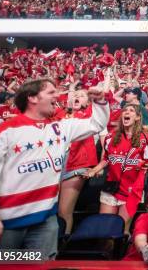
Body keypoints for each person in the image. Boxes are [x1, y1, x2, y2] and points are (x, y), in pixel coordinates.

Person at [0, 78, 109, 259]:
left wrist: (101, 101)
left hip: (46, 221)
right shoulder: (4, 132)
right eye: (51, 92)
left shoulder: (59, 128)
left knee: (42, 265)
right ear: (32, 97)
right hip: (3, 222)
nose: (58, 95)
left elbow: (96, 124)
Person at [85, 103, 148, 233]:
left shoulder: (144, 138)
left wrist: (144, 165)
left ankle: (122, 253)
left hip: (131, 190)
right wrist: (94, 170)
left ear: (138, 117)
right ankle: (106, 253)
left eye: (131, 111)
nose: (126, 113)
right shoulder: (111, 136)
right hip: (111, 187)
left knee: (122, 230)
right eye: (125, 110)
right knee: (104, 230)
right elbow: (106, 158)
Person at [58, 88, 100, 234]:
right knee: (52, 211)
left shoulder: (89, 115)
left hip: (76, 164)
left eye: (81, 96)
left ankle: (62, 246)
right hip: (54, 164)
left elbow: (99, 107)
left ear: (88, 102)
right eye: (75, 95)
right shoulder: (60, 115)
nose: (77, 97)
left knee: (64, 211)